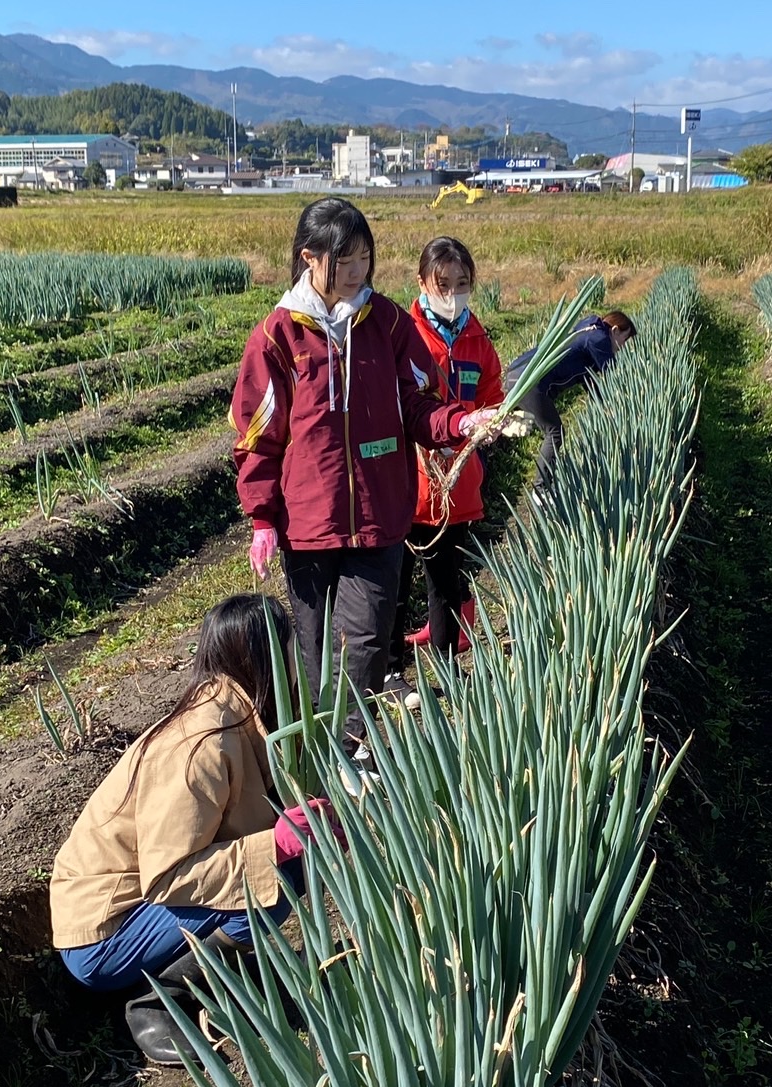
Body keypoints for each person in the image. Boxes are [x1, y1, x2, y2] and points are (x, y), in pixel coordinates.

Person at [229, 198, 499, 764]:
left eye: (365, 259)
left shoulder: (389, 324)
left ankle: (351, 752)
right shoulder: (279, 335)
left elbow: (417, 403)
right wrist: (261, 516)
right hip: (309, 520)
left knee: (368, 641)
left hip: (378, 515)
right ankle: (312, 761)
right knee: (312, 650)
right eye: (345, 262)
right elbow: (259, 432)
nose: (358, 273)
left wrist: (460, 421)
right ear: (310, 259)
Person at [49, 593, 345, 1066]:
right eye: (290, 649)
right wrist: (278, 842)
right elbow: (168, 876)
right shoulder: (199, 745)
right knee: (271, 883)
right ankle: (157, 1001)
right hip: (102, 934)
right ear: (264, 658)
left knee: (286, 871)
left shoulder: (241, 715)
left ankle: (220, 970)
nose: (299, 661)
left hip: (142, 910)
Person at [384, 237, 503, 706]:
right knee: (396, 579)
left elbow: (493, 394)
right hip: (409, 482)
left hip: (458, 485)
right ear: (422, 284)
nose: (453, 294)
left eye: (462, 284)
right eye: (443, 284)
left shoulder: (478, 340)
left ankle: (447, 666)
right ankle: (392, 670)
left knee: (448, 582)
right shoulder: (405, 336)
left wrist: (492, 422)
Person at [505, 310, 637, 495]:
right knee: (554, 432)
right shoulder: (599, 339)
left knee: (549, 430)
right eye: (624, 340)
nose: (622, 347)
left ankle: (543, 484)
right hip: (529, 383)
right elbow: (612, 375)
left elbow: (589, 378)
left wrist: (605, 407)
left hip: (518, 373)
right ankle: (540, 490)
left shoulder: (588, 329)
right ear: (615, 330)